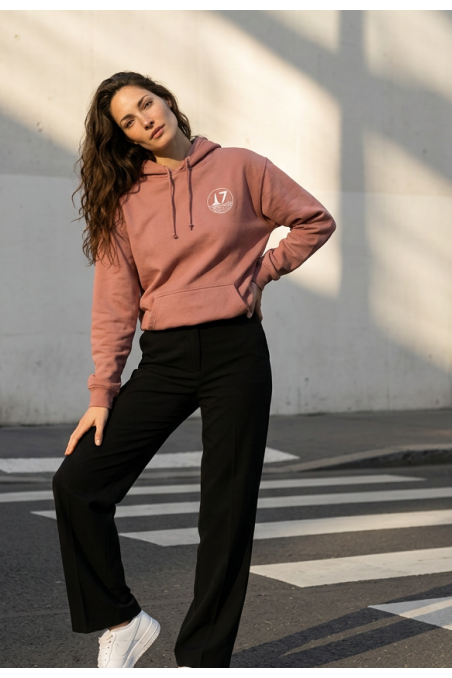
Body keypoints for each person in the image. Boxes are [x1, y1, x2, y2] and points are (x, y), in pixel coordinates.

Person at [52, 71, 336, 669]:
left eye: (146, 104)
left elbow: (314, 220)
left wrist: (261, 273)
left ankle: (203, 660)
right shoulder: (125, 198)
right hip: (166, 358)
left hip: (236, 351)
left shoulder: (240, 167)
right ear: (125, 137)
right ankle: (121, 620)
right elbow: (115, 303)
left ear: (167, 100)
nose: (144, 120)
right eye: (128, 121)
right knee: (77, 483)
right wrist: (102, 392)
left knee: (226, 512)